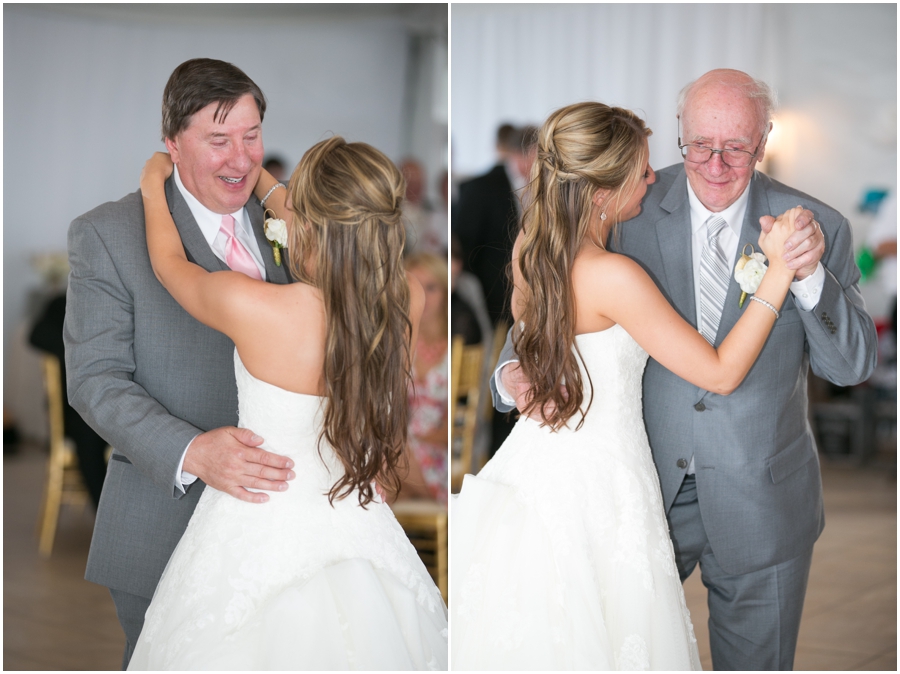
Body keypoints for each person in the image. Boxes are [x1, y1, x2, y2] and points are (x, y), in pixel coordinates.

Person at [489, 70, 878, 670]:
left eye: (736, 148)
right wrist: (513, 371)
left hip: (763, 496)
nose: (716, 164)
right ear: (679, 134)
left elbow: (851, 366)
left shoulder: (813, 226)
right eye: (700, 145)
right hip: (633, 490)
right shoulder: (622, 204)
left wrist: (807, 278)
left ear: (765, 138)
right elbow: (543, 311)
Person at [123, 137, 447, 669]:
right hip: (356, 517)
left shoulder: (253, 305)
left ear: (306, 222)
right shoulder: (405, 295)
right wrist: (271, 185)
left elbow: (168, 264)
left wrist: (153, 188)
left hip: (256, 520)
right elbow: (341, 233)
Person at [65, 60, 300, 667]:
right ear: (171, 144)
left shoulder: (293, 222)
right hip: (165, 525)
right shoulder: (108, 234)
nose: (240, 159)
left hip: (292, 525)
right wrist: (194, 452)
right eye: (218, 139)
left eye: (251, 136)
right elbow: (95, 382)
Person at [403, 252, 450, 504]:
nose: (423, 297)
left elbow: (459, 429)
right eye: (415, 287)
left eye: (431, 287)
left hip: (442, 458)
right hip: (401, 455)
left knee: (376, 473)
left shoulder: (457, 350)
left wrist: (411, 440)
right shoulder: (399, 343)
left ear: (444, 291)